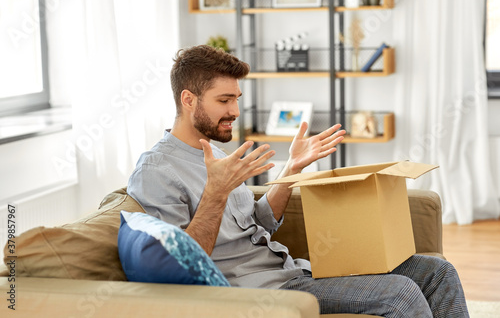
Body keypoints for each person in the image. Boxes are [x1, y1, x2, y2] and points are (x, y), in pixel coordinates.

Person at [127, 45, 469, 317]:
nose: (234, 111)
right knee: (400, 294)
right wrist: (216, 193)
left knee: (437, 271)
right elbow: (179, 261)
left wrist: (293, 168)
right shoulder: (156, 171)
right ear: (189, 100)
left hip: (293, 271)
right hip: (259, 293)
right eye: (224, 100)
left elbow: (259, 224)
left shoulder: (216, 154)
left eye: (236, 100)